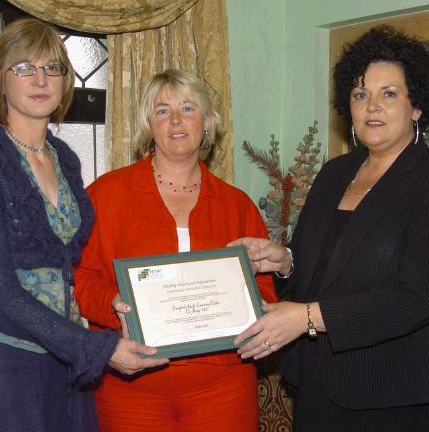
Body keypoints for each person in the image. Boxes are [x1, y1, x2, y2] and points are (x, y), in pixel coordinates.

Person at [229, 25, 429, 431]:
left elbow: (414, 298)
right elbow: (323, 265)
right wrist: (285, 260)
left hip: (399, 395)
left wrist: (306, 317)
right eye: (361, 94)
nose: (372, 107)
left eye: (389, 94)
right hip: (317, 385)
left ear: (417, 107)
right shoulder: (333, 173)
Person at [0, 18, 167, 432]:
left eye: (52, 67)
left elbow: (66, 268)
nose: (40, 79)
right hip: (2, 366)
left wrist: (117, 301)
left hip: (64, 362)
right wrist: (95, 347)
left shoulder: (64, 159)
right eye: (24, 67)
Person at [74, 69, 278, 431]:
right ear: (148, 124)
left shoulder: (237, 205)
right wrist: (114, 304)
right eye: (162, 110)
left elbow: (262, 288)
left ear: (207, 121)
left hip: (223, 386)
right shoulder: (105, 195)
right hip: (131, 386)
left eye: (187, 107)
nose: (177, 120)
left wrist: (256, 313)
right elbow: (80, 277)